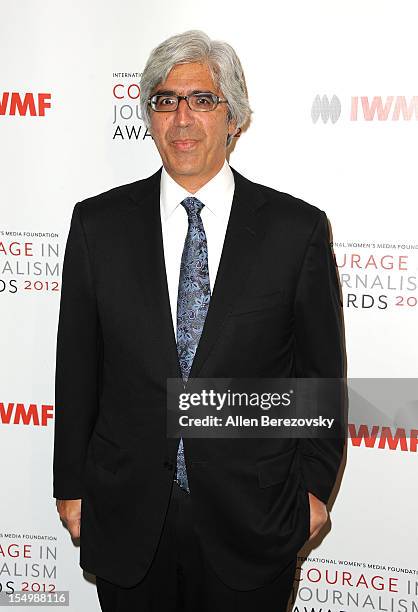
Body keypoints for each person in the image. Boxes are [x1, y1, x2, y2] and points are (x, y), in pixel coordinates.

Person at [53, 29, 346, 612]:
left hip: (253, 519)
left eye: (202, 100)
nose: (181, 118)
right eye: (165, 100)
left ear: (233, 117)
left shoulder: (296, 231)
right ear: (149, 116)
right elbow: (78, 368)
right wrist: (71, 488)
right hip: (128, 513)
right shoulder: (97, 225)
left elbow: (321, 377)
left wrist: (312, 492)